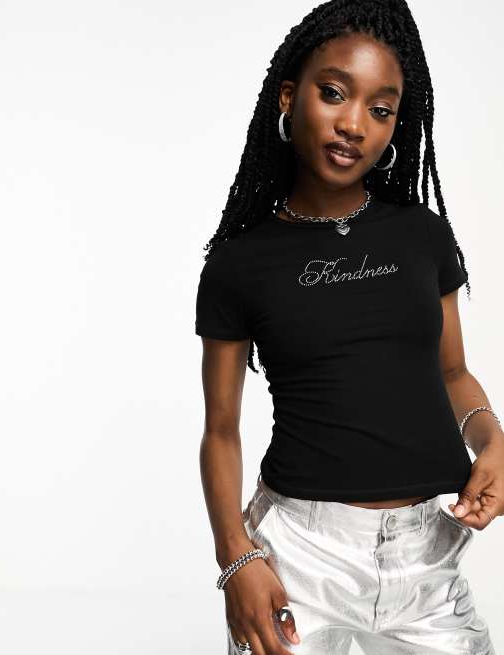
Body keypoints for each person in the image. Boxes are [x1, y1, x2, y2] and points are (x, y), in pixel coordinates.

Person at [195, 1, 503, 653]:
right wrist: (235, 557)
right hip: (297, 555)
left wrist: (492, 440)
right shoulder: (239, 263)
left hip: (427, 557)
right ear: (289, 96)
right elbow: (220, 430)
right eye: (334, 93)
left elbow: (451, 372)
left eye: (380, 109)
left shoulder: (421, 236)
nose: (354, 124)